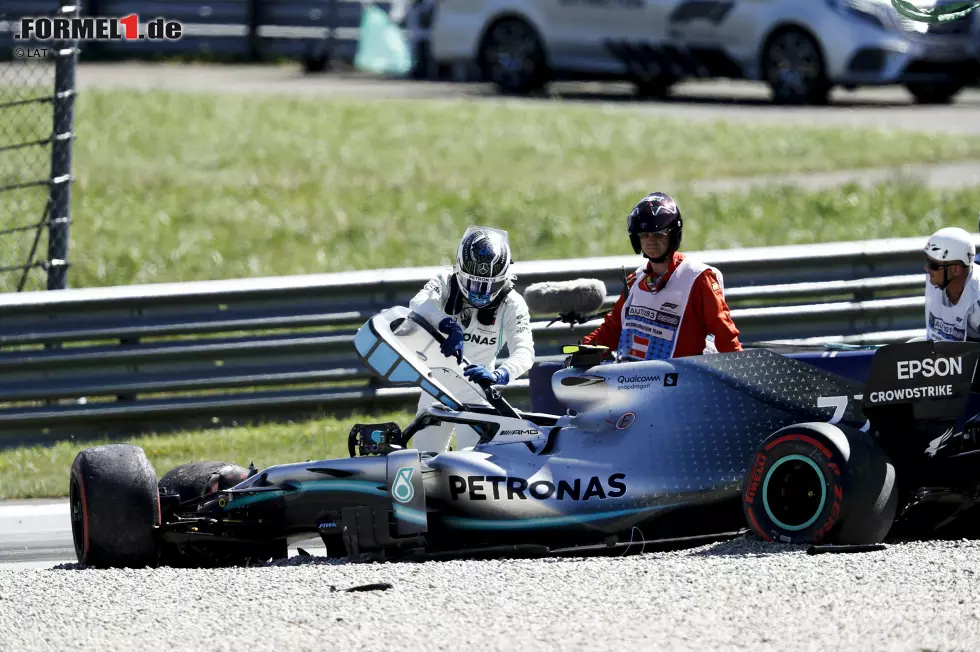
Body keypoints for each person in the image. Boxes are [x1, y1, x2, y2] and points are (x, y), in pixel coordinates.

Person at [408, 225, 535, 452]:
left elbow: (525, 352)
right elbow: (418, 304)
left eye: (489, 285)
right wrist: (447, 324)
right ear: (459, 271)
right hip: (436, 387)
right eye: (474, 283)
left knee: (474, 467)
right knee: (423, 461)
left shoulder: (513, 304)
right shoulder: (444, 282)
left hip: (479, 393)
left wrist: (500, 374)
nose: (480, 293)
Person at [582, 191, 742, 360]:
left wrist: (740, 370)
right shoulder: (635, 281)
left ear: (673, 236)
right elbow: (611, 330)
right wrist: (585, 351)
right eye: (644, 235)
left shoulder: (699, 279)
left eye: (659, 234)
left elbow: (725, 334)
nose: (650, 241)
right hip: (634, 379)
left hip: (686, 381)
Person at [923, 226, 980, 342]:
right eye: (927, 261)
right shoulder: (935, 281)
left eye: (933, 265)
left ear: (956, 270)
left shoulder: (977, 298)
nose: (927, 268)